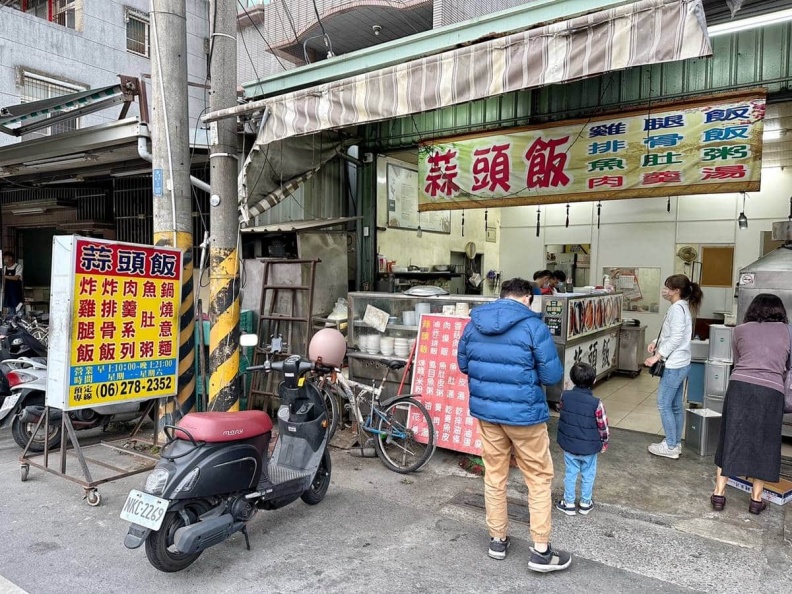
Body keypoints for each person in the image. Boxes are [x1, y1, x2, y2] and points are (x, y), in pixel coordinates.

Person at [457, 277, 571, 573]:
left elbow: (464, 365)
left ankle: (497, 540)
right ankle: (542, 551)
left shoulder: (474, 323)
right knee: (538, 478)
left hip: (487, 413)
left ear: (503, 295)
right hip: (525, 417)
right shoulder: (533, 326)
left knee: (494, 475)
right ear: (526, 299)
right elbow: (551, 375)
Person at [710, 294, 789, 515]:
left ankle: (719, 494)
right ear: (780, 310)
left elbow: (738, 360)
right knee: (765, 442)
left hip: (740, 388)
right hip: (772, 391)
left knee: (730, 437)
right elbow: (788, 365)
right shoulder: (788, 332)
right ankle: (756, 500)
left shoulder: (740, 330)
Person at [644, 274, 703, 459]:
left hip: (674, 365)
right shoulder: (682, 307)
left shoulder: (678, 309)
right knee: (675, 405)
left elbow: (676, 337)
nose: (664, 290)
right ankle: (675, 442)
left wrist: (657, 356)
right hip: (682, 362)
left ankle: (670, 446)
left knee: (663, 404)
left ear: (676, 291)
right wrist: (656, 342)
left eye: (667, 287)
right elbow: (672, 334)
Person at [555, 362, 609, 516]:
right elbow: (603, 426)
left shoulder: (564, 396)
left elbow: (562, 408)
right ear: (593, 381)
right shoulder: (596, 403)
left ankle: (569, 503)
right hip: (589, 448)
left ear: (572, 380)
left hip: (570, 445)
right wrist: (604, 442)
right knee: (588, 474)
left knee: (570, 473)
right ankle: (585, 503)